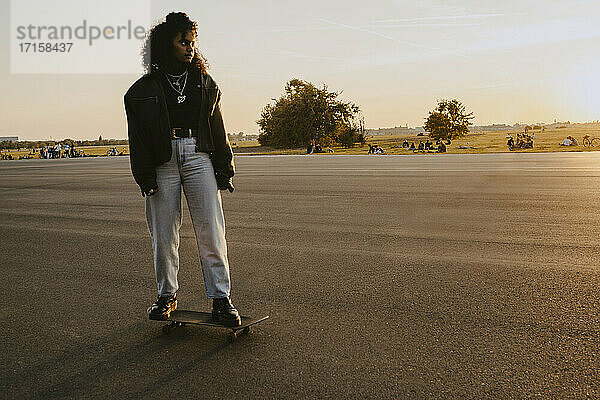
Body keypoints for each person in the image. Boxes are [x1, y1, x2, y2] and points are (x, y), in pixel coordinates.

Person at [124, 12, 241, 326]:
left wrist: (224, 168)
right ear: (167, 44)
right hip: (162, 162)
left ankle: (221, 299)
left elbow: (218, 128)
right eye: (183, 41)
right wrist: (144, 176)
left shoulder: (205, 83)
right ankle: (167, 297)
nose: (190, 47)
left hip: (198, 155)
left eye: (192, 42)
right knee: (163, 235)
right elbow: (138, 139)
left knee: (211, 231)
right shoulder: (141, 90)